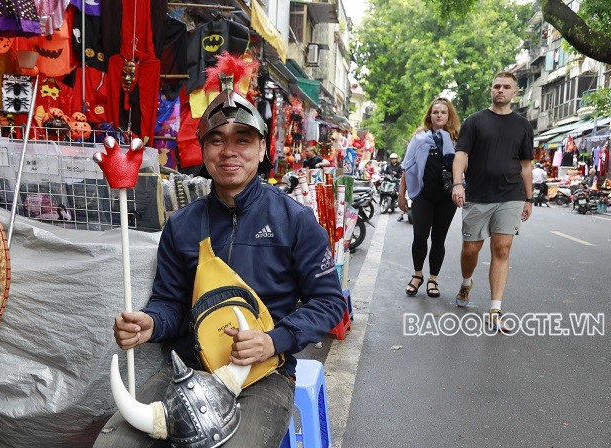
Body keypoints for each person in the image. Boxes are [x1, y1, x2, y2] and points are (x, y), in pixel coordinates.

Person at [94, 84, 346, 448]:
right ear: (204, 149)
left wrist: (273, 342)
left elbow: (329, 302)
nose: (229, 151)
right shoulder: (180, 225)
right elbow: (172, 304)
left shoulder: (294, 220)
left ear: (262, 148)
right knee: (114, 444)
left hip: (264, 376)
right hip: (188, 371)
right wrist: (151, 323)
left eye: (242, 140)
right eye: (216, 140)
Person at [451, 71, 534, 332]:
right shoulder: (475, 121)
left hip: (510, 195)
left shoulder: (523, 126)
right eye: (496, 86)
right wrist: (457, 183)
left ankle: (495, 309)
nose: (501, 90)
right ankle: (466, 283)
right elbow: (461, 155)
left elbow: (525, 164)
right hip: (477, 195)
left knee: (502, 250)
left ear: (514, 92)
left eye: (506, 87)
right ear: (491, 90)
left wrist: (529, 198)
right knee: (470, 249)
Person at [398, 97, 460, 297]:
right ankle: (417, 275)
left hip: (446, 198)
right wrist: (401, 194)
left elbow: (465, 168)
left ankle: (433, 279)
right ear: (430, 115)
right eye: (435, 112)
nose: (439, 115)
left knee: (438, 240)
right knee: (420, 237)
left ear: (449, 115)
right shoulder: (419, 138)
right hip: (423, 196)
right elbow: (407, 167)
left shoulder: (457, 139)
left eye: (443, 112)